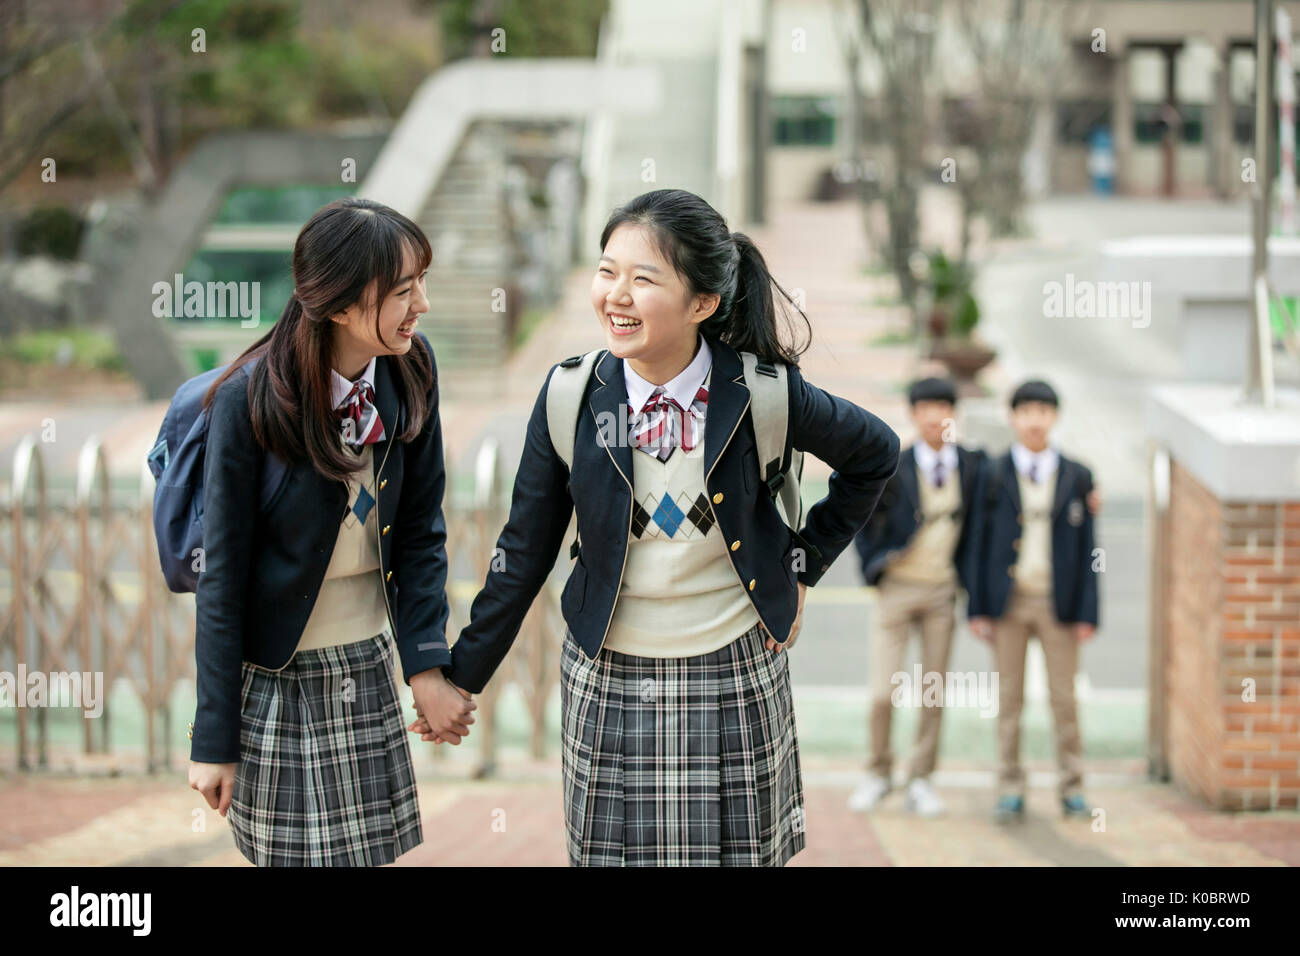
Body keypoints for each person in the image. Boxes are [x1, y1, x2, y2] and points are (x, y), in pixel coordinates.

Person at [413, 187, 900, 866]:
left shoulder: (763, 392)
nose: (615, 294)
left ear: (701, 303)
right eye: (607, 270)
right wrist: (461, 677)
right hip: (607, 676)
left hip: (733, 670)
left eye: (644, 279)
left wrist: (801, 568)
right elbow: (522, 552)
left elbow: (875, 454)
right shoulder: (570, 397)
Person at [186, 198, 475, 866]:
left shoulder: (411, 369)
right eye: (402, 290)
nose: (421, 305)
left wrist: (425, 663)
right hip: (276, 678)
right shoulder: (251, 398)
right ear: (340, 303)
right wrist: (213, 739)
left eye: (420, 285)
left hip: (365, 665)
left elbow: (420, 534)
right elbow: (221, 577)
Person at [848, 376, 983, 817]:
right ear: (913, 413)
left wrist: (1088, 494)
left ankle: (921, 779)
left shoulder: (974, 465)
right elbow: (860, 514)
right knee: (882, 692)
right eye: (925, 406)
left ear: (952, 413)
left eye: (942, 406)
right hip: (897, 590)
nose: (934, 415)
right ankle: (878, 772)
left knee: (932, 693)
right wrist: (874, 566)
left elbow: (1012, 491)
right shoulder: (893, 465)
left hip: (943, 593)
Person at [967, 379, 1099, 823]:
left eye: (1043, 411)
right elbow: (979, 544)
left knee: (1065, 701)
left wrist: (1087, 612)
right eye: (1026, 411)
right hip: (1009, 604)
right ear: (1013, 417)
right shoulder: (994, 473)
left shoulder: (1078, 475)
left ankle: (1073, 788)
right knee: (1010, 701)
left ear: (1054, 417)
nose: (1035, 420)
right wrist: (978, 607)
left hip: (1058, 605)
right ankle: (1009, 786)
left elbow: (1089, 551)